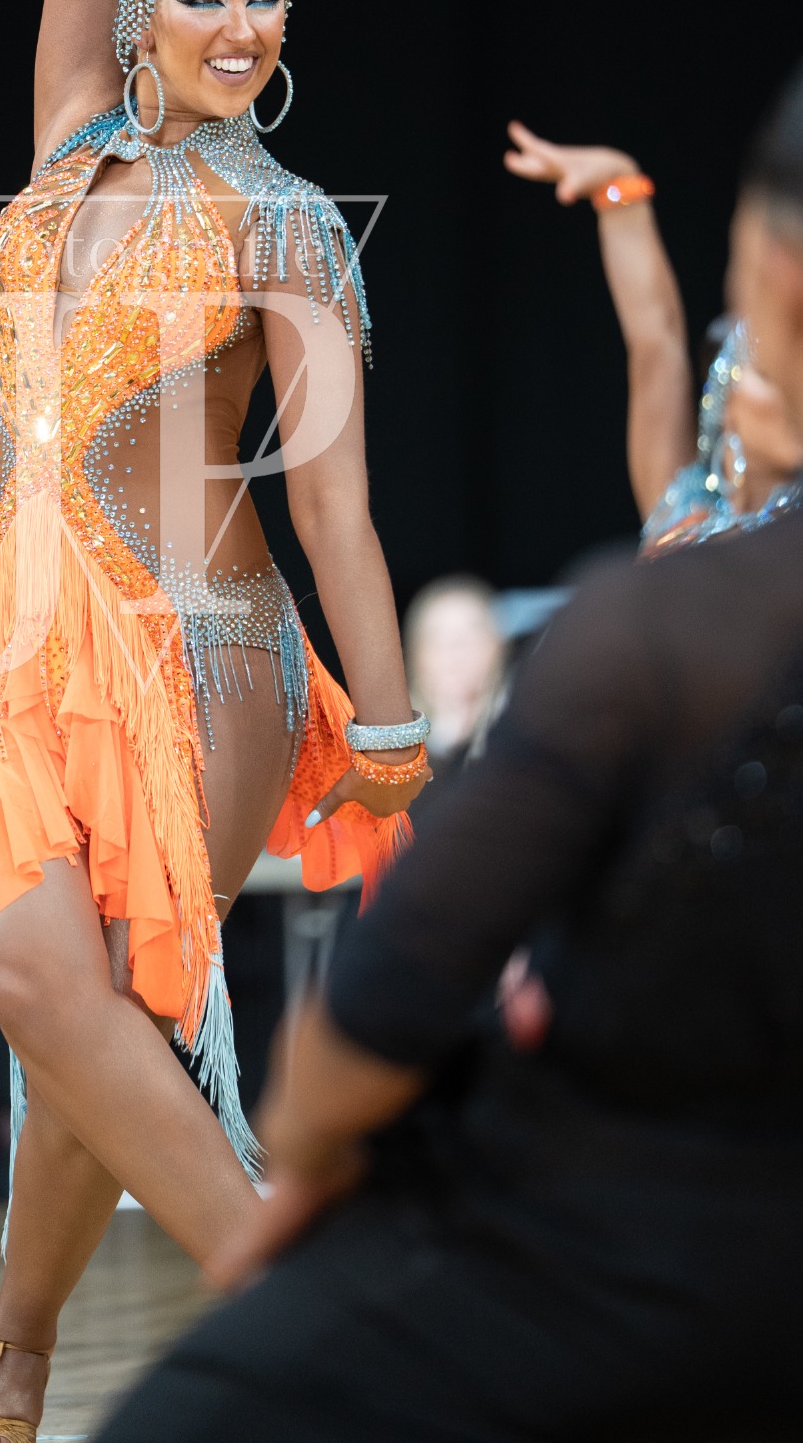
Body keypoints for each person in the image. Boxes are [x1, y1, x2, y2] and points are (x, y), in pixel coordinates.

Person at [0, 0, 429, 1443]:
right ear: (136, 15)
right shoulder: (65, 127)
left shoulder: (290, 223)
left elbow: (335, 509)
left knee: (111, 1018)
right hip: (6, 654)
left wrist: (390, 727)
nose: (237, 23)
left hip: (204, 660)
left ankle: (26, 1353)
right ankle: (291, 1312)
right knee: (37, 988)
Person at [95, 78, 803, 1441]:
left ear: (776, 282)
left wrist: (313, 1163)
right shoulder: (684, 519)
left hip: (643, 1203)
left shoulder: (659, 624)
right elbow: (656, 339)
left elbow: (382, 1002)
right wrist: (622, 201)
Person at [504, 121, 803, 550]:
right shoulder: (681, 518)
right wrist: (617, 190)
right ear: (728, 416)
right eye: (764, 374)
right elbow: (655, 342)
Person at [401, 574, 505, 798]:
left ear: (498, 646)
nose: (455, 653)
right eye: (437, 638)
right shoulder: (390, 755)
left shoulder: (524, 734)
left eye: (472, 636)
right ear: (416, 654)